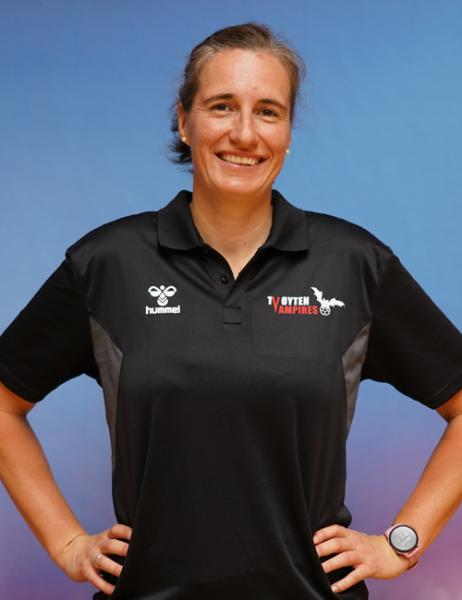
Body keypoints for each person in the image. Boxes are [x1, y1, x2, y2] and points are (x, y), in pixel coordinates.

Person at [0, 22, 461, 600]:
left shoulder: (353, 265)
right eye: (222, 106)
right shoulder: (109, 263)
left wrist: (400, 543)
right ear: (183, 120)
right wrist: (67, 542)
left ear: (287, 132)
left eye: (268, 112)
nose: (245, 133)